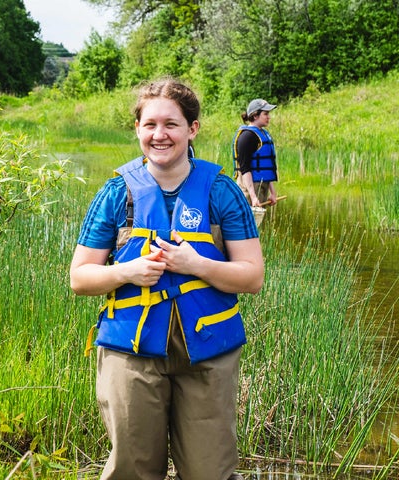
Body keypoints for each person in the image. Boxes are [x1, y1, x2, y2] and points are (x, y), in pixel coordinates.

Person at [69, 78, 264, 480]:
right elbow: (80, 277)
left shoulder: (221, 191)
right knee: (132, 470)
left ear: (192, 129)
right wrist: (127, 272)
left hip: (208, 351)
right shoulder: (115, 193)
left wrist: (196, 265)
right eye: (150, 125)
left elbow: (252, 276)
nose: (160, 135)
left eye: (172, 124)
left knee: (210, 472)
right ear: (138, 130)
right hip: (131, 352)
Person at [232, 98, 278, 207]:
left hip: (261, 185)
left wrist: (272, 192)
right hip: (250, 188)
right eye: (265, 114)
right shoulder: (247, 137)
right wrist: (253, 196)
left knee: (257, 223)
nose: (269, 117)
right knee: (247, 222)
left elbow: (267, 169)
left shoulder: (263, 134)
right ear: (255, 115)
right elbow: (245, 168)